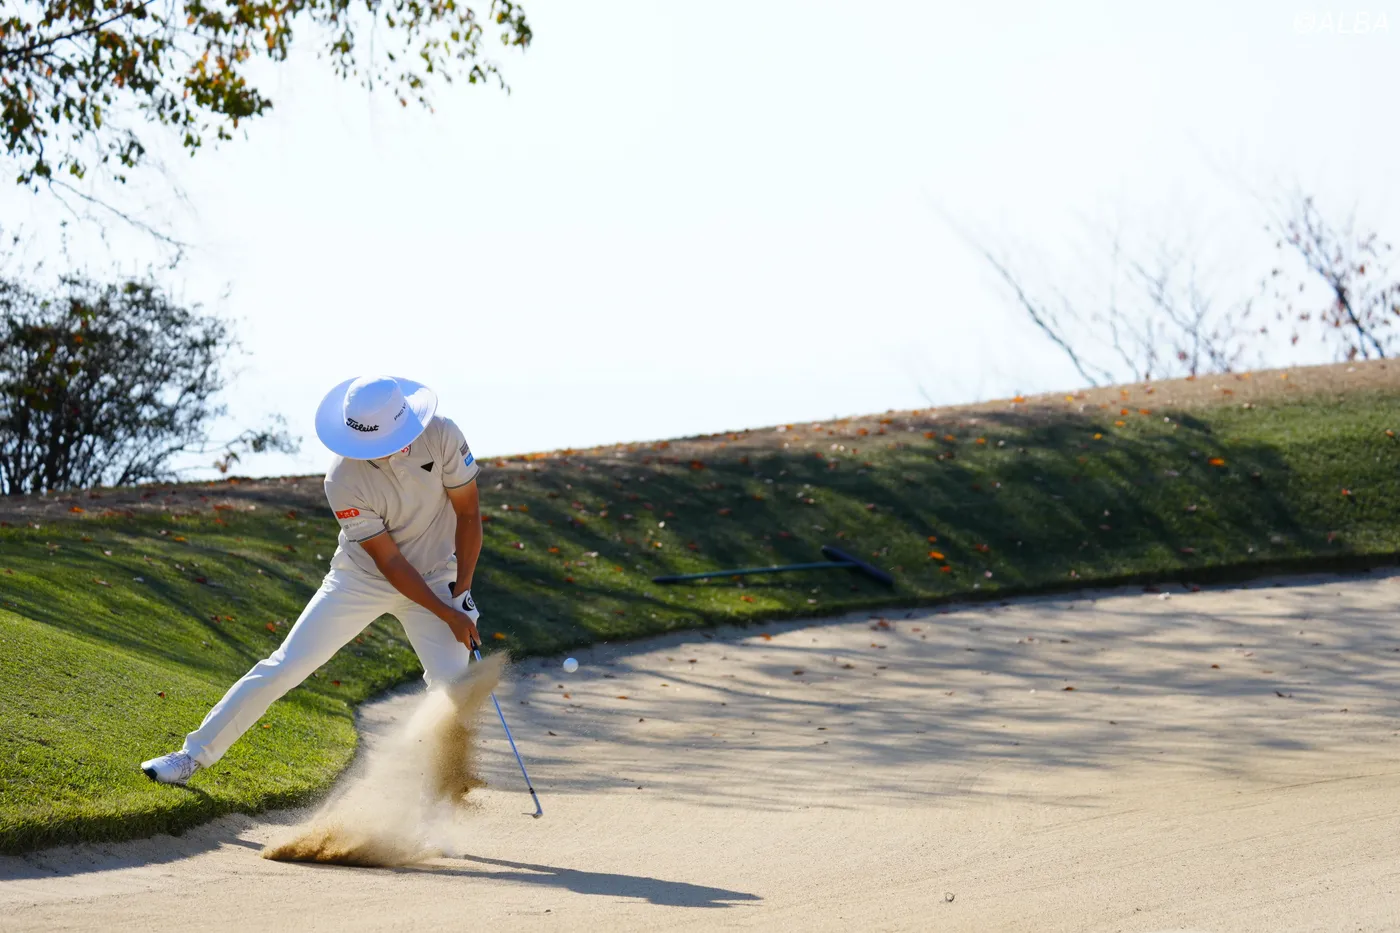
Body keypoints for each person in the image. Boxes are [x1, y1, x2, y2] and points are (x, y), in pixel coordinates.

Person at [141, 375, 484, 784]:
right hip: (362, 578)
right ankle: (191, 756)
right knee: (287, 665)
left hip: (438, 574)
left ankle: (441, 793)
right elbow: (390, 562)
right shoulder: (342, 479)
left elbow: (468, 513)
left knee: (452, 690)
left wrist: (461, 593)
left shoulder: (442, 434)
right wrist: (447, 614)